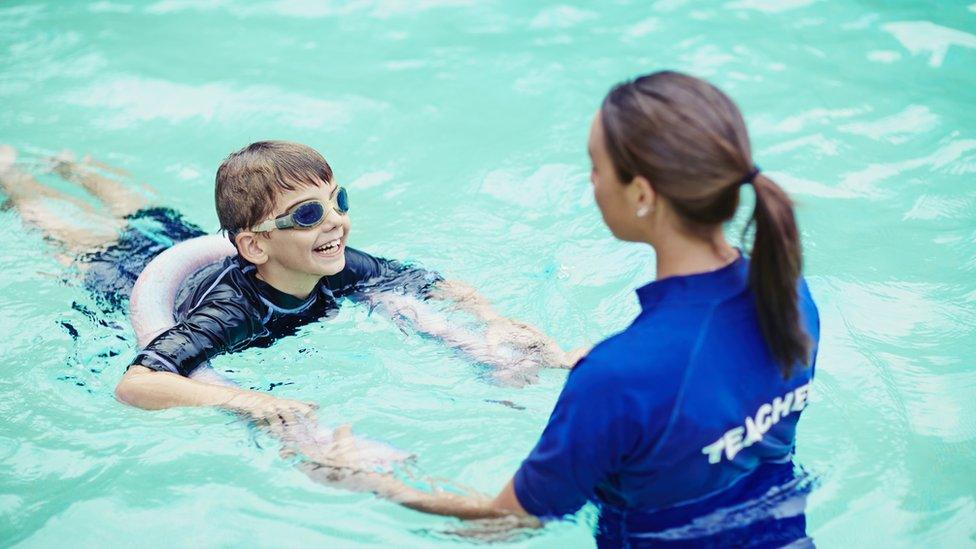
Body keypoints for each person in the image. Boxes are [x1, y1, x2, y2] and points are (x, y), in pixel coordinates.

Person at [325, 71, 822, 547]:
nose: (592, 182)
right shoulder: (788, 293)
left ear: (642, 193)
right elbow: (711, 402)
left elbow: (506, 523)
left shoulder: (619, 378)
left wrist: (369, 479)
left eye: (596, 166)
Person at [0, 142, 577, 432]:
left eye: (338, 201)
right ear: (255, 245)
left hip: (182, 251)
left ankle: (77, 167)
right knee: (71, 237)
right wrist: (247, 400)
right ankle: (17, 180)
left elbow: (433, 283)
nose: (335, 221)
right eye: (307, 215)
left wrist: (495, 321)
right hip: (138, 280)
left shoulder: (338, 262)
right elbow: (138, 383)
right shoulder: (232, 310)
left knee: (148, 213)